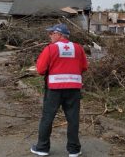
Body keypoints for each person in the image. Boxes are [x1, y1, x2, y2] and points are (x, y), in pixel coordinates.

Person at [31, 23, 88, 157]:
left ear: (59, 34)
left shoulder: (50, 49)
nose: (50, 35)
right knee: (73, 118)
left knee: (47, 118)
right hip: (73, 89)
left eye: (52, 33)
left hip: (54, 89)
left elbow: (40, 70)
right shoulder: (78, 48)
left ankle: (42, 148)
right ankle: (74, 150)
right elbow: (84, 67)